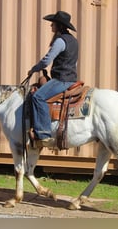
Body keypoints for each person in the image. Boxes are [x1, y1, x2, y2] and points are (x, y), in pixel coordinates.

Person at [28, 10, 78, 146]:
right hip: (71, 78)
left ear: (59, 26)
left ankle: (43, 133)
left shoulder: (60, 41)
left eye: (53, 24)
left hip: (62, 80)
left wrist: (34, 69)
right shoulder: (73, 41)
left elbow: (46, 60)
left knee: (38, 97)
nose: (51, 26)